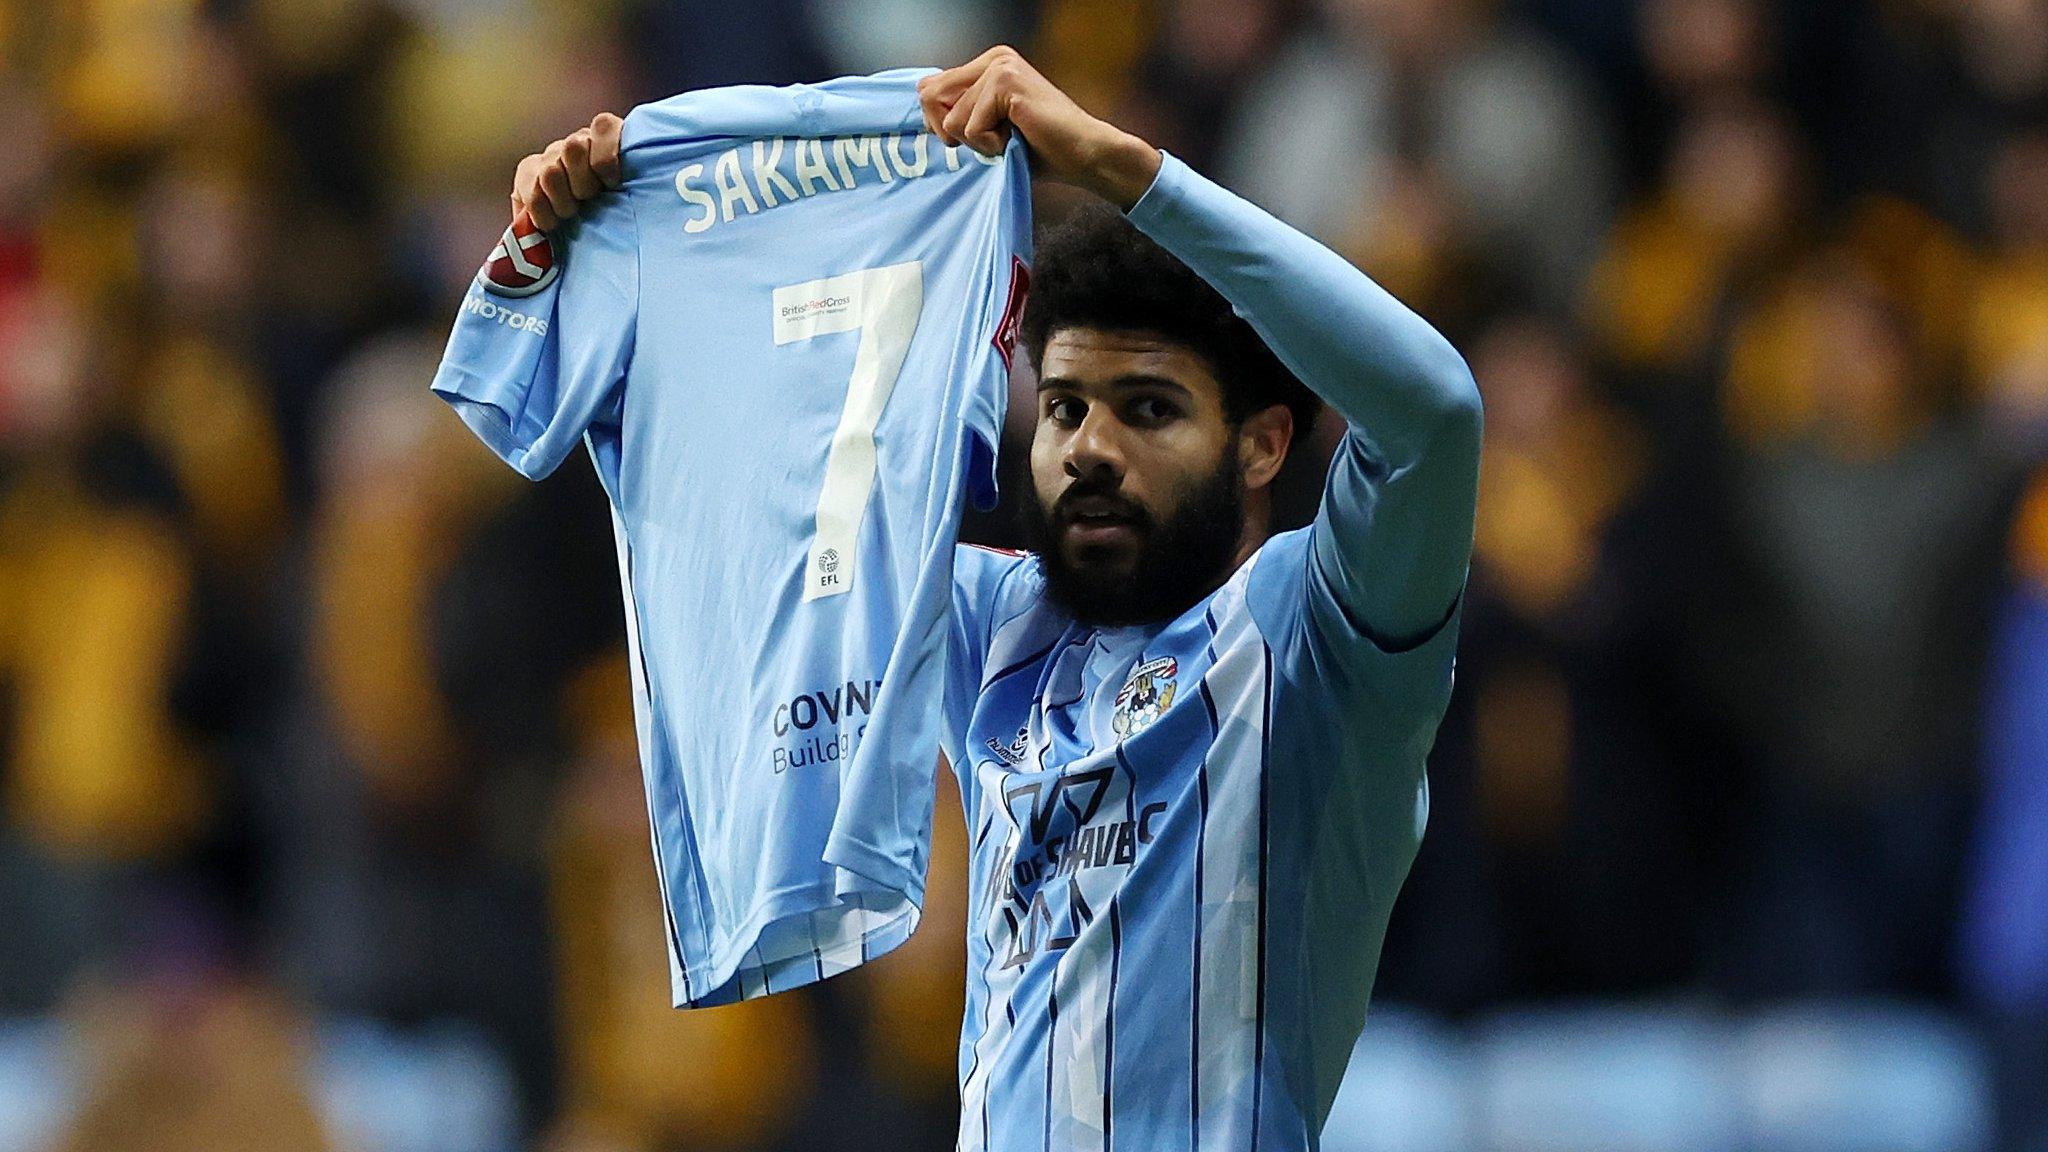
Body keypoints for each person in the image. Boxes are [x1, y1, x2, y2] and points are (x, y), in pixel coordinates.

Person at [512, 46, 1481, 1151]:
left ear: (1261, 446)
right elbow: (733, 479)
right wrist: (603, 251)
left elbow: (1433, 415)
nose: (1091, 449)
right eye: (1065, 408)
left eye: (1149, 410)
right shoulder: (991, 626)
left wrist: (1128, 174)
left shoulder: (1318, 648)